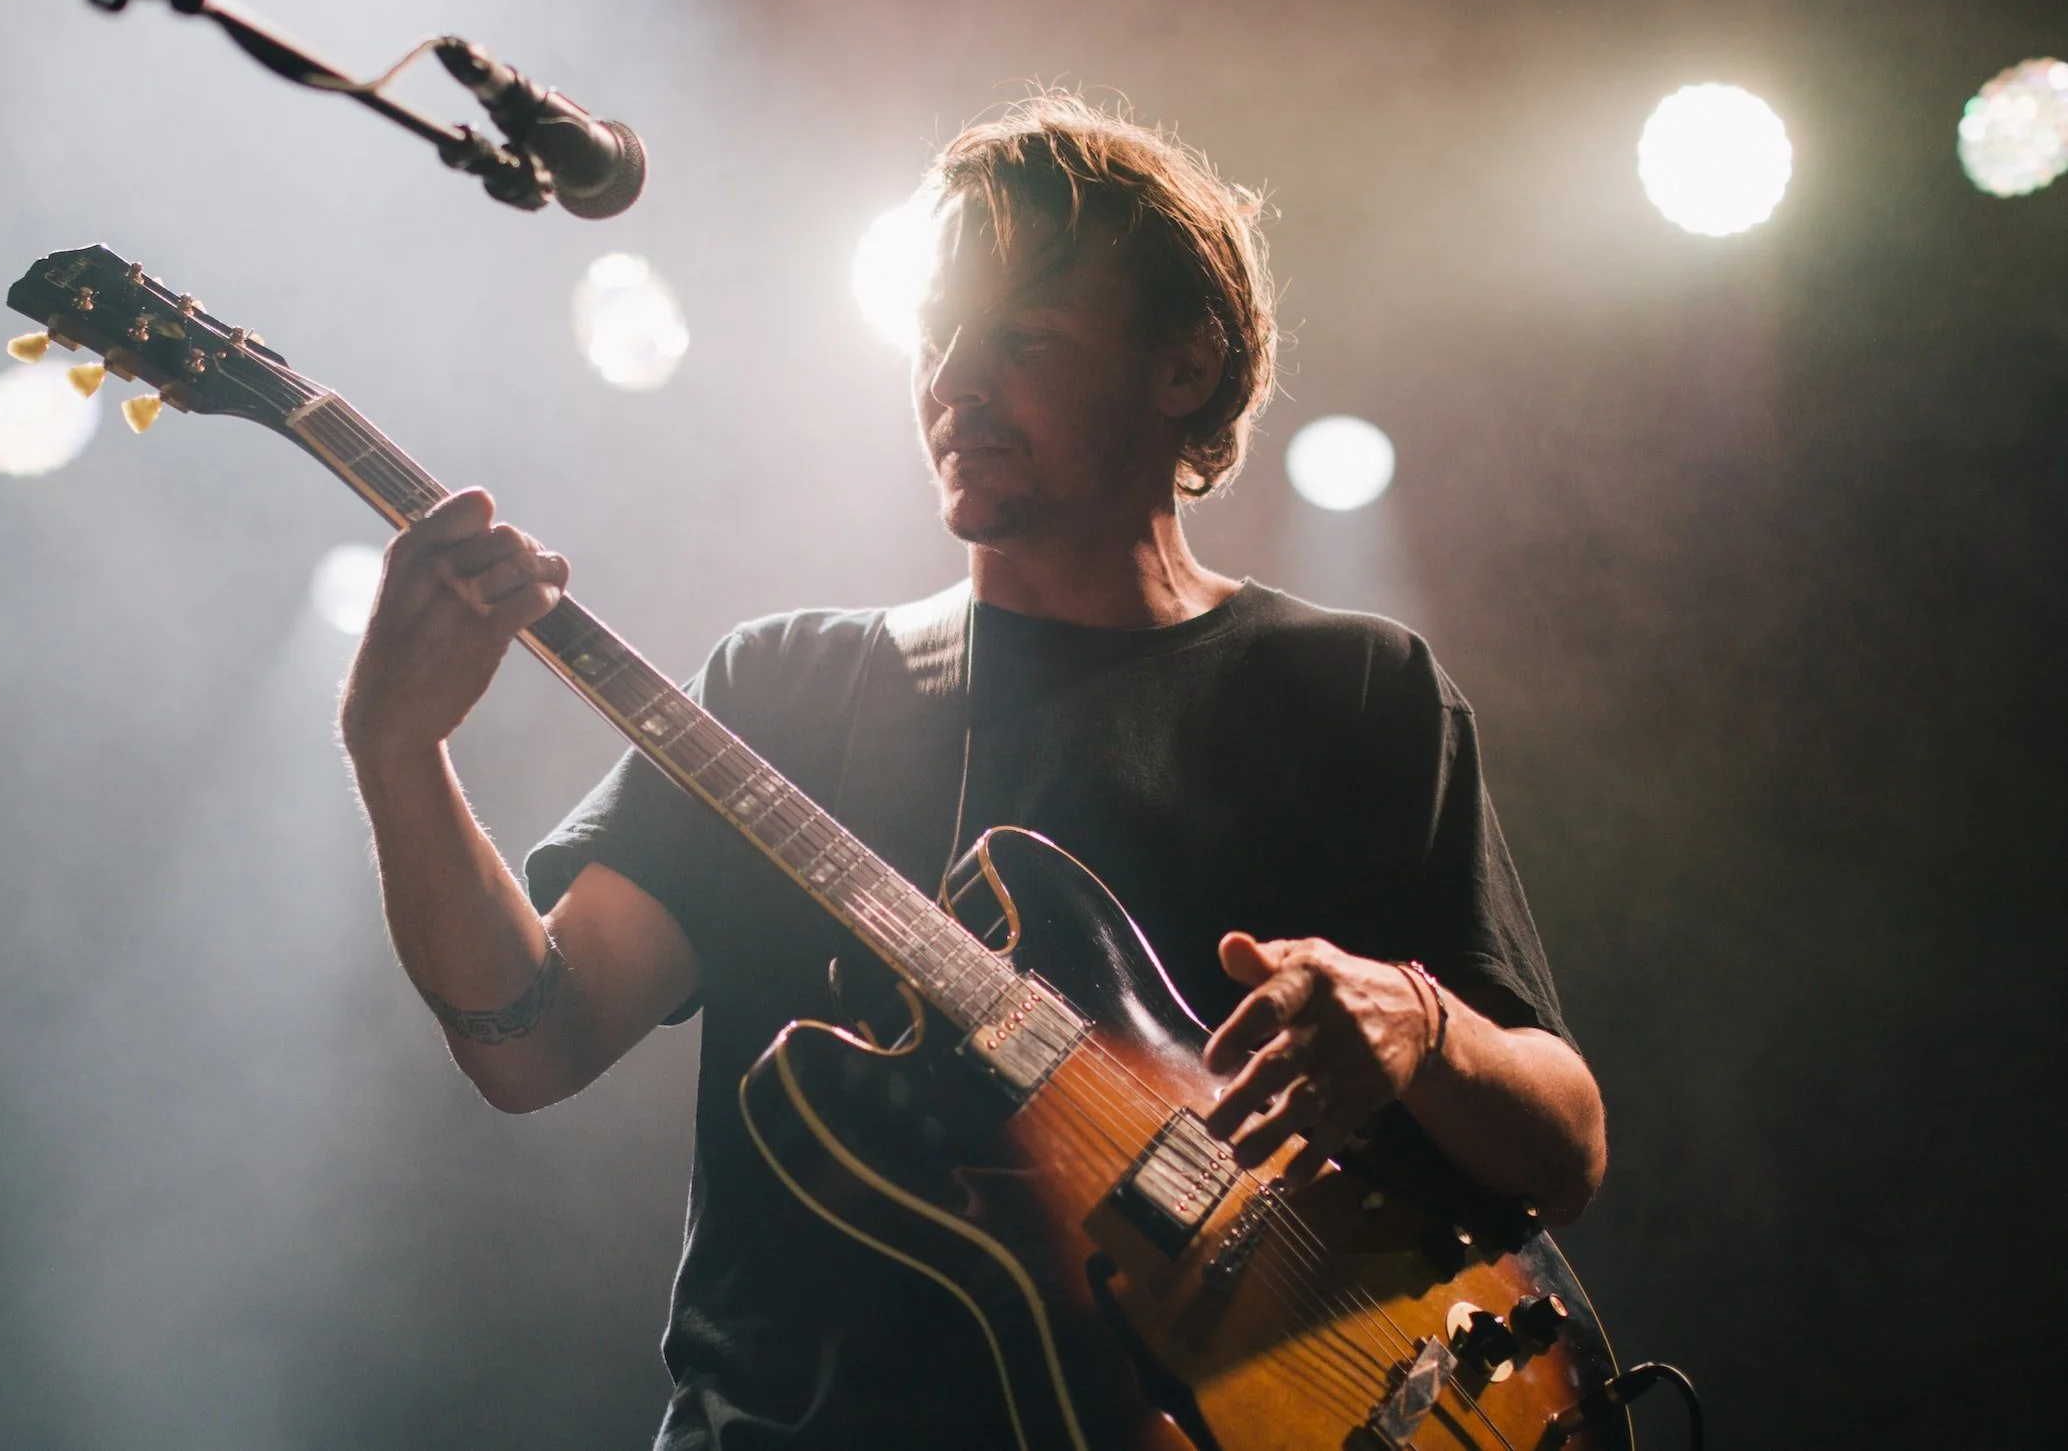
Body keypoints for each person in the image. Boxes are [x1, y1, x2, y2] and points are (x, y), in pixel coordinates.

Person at [337, 95, 1607, 1449]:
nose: (955, 380)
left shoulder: (1357, 692)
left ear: (1184, 363)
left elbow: (1565, 1144)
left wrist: (1418, 1025)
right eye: (935, 337)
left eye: (1022, 337)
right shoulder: (787, 688)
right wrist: (397, 753)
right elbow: (533, 1040)